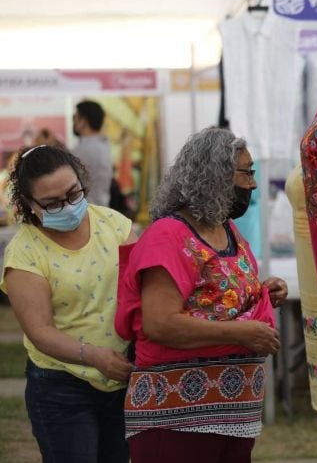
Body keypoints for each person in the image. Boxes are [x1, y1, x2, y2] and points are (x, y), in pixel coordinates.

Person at [115, 127, 287, 463]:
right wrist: (242, 332)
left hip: (233, 414)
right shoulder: (169, 235)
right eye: (246, 173)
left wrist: (261, 292)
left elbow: (214, 299)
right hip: (177, 419)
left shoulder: (226, 230)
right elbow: (160, 323)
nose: (252, 184)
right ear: (215, 175)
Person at [1, 144, 135, 463]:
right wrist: (94, 356)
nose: (68, 206)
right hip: (61, 387)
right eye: (52, 203)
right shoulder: (24, 253)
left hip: (122, 377)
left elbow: (144, 292)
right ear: (29, 205)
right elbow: (40, 331)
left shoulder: (116, 225)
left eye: (74, 194)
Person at [72, 100, 113, 207]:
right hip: (98, 205)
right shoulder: (102, 145)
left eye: (75, 118)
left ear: (83, 121)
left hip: (88, 208)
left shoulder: (87, 149)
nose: (74, 122)